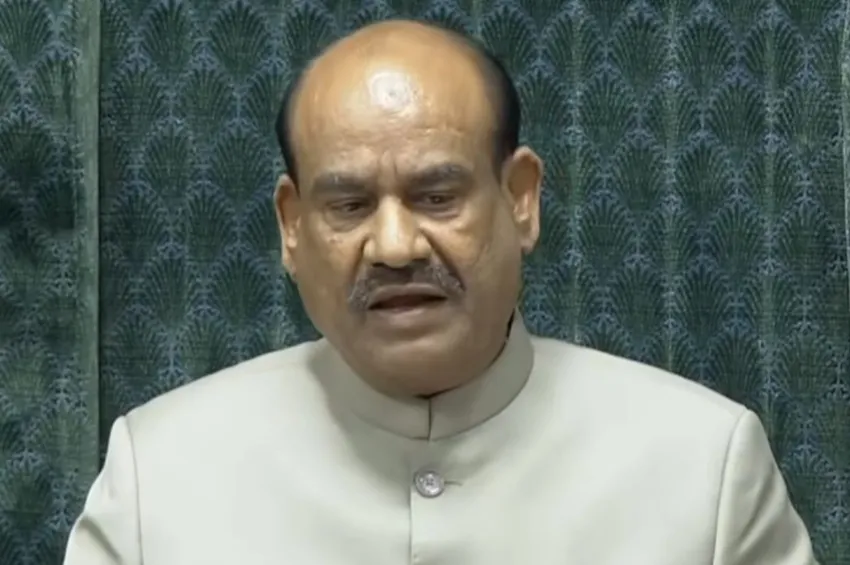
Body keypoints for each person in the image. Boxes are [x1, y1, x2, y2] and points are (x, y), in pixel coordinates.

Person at [63, 19, 818, 565]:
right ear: (292, 227)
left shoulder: (705, 464)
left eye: (436, 196)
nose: (395, 247)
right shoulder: (158, 474)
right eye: (349, 205)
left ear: (520, 199)